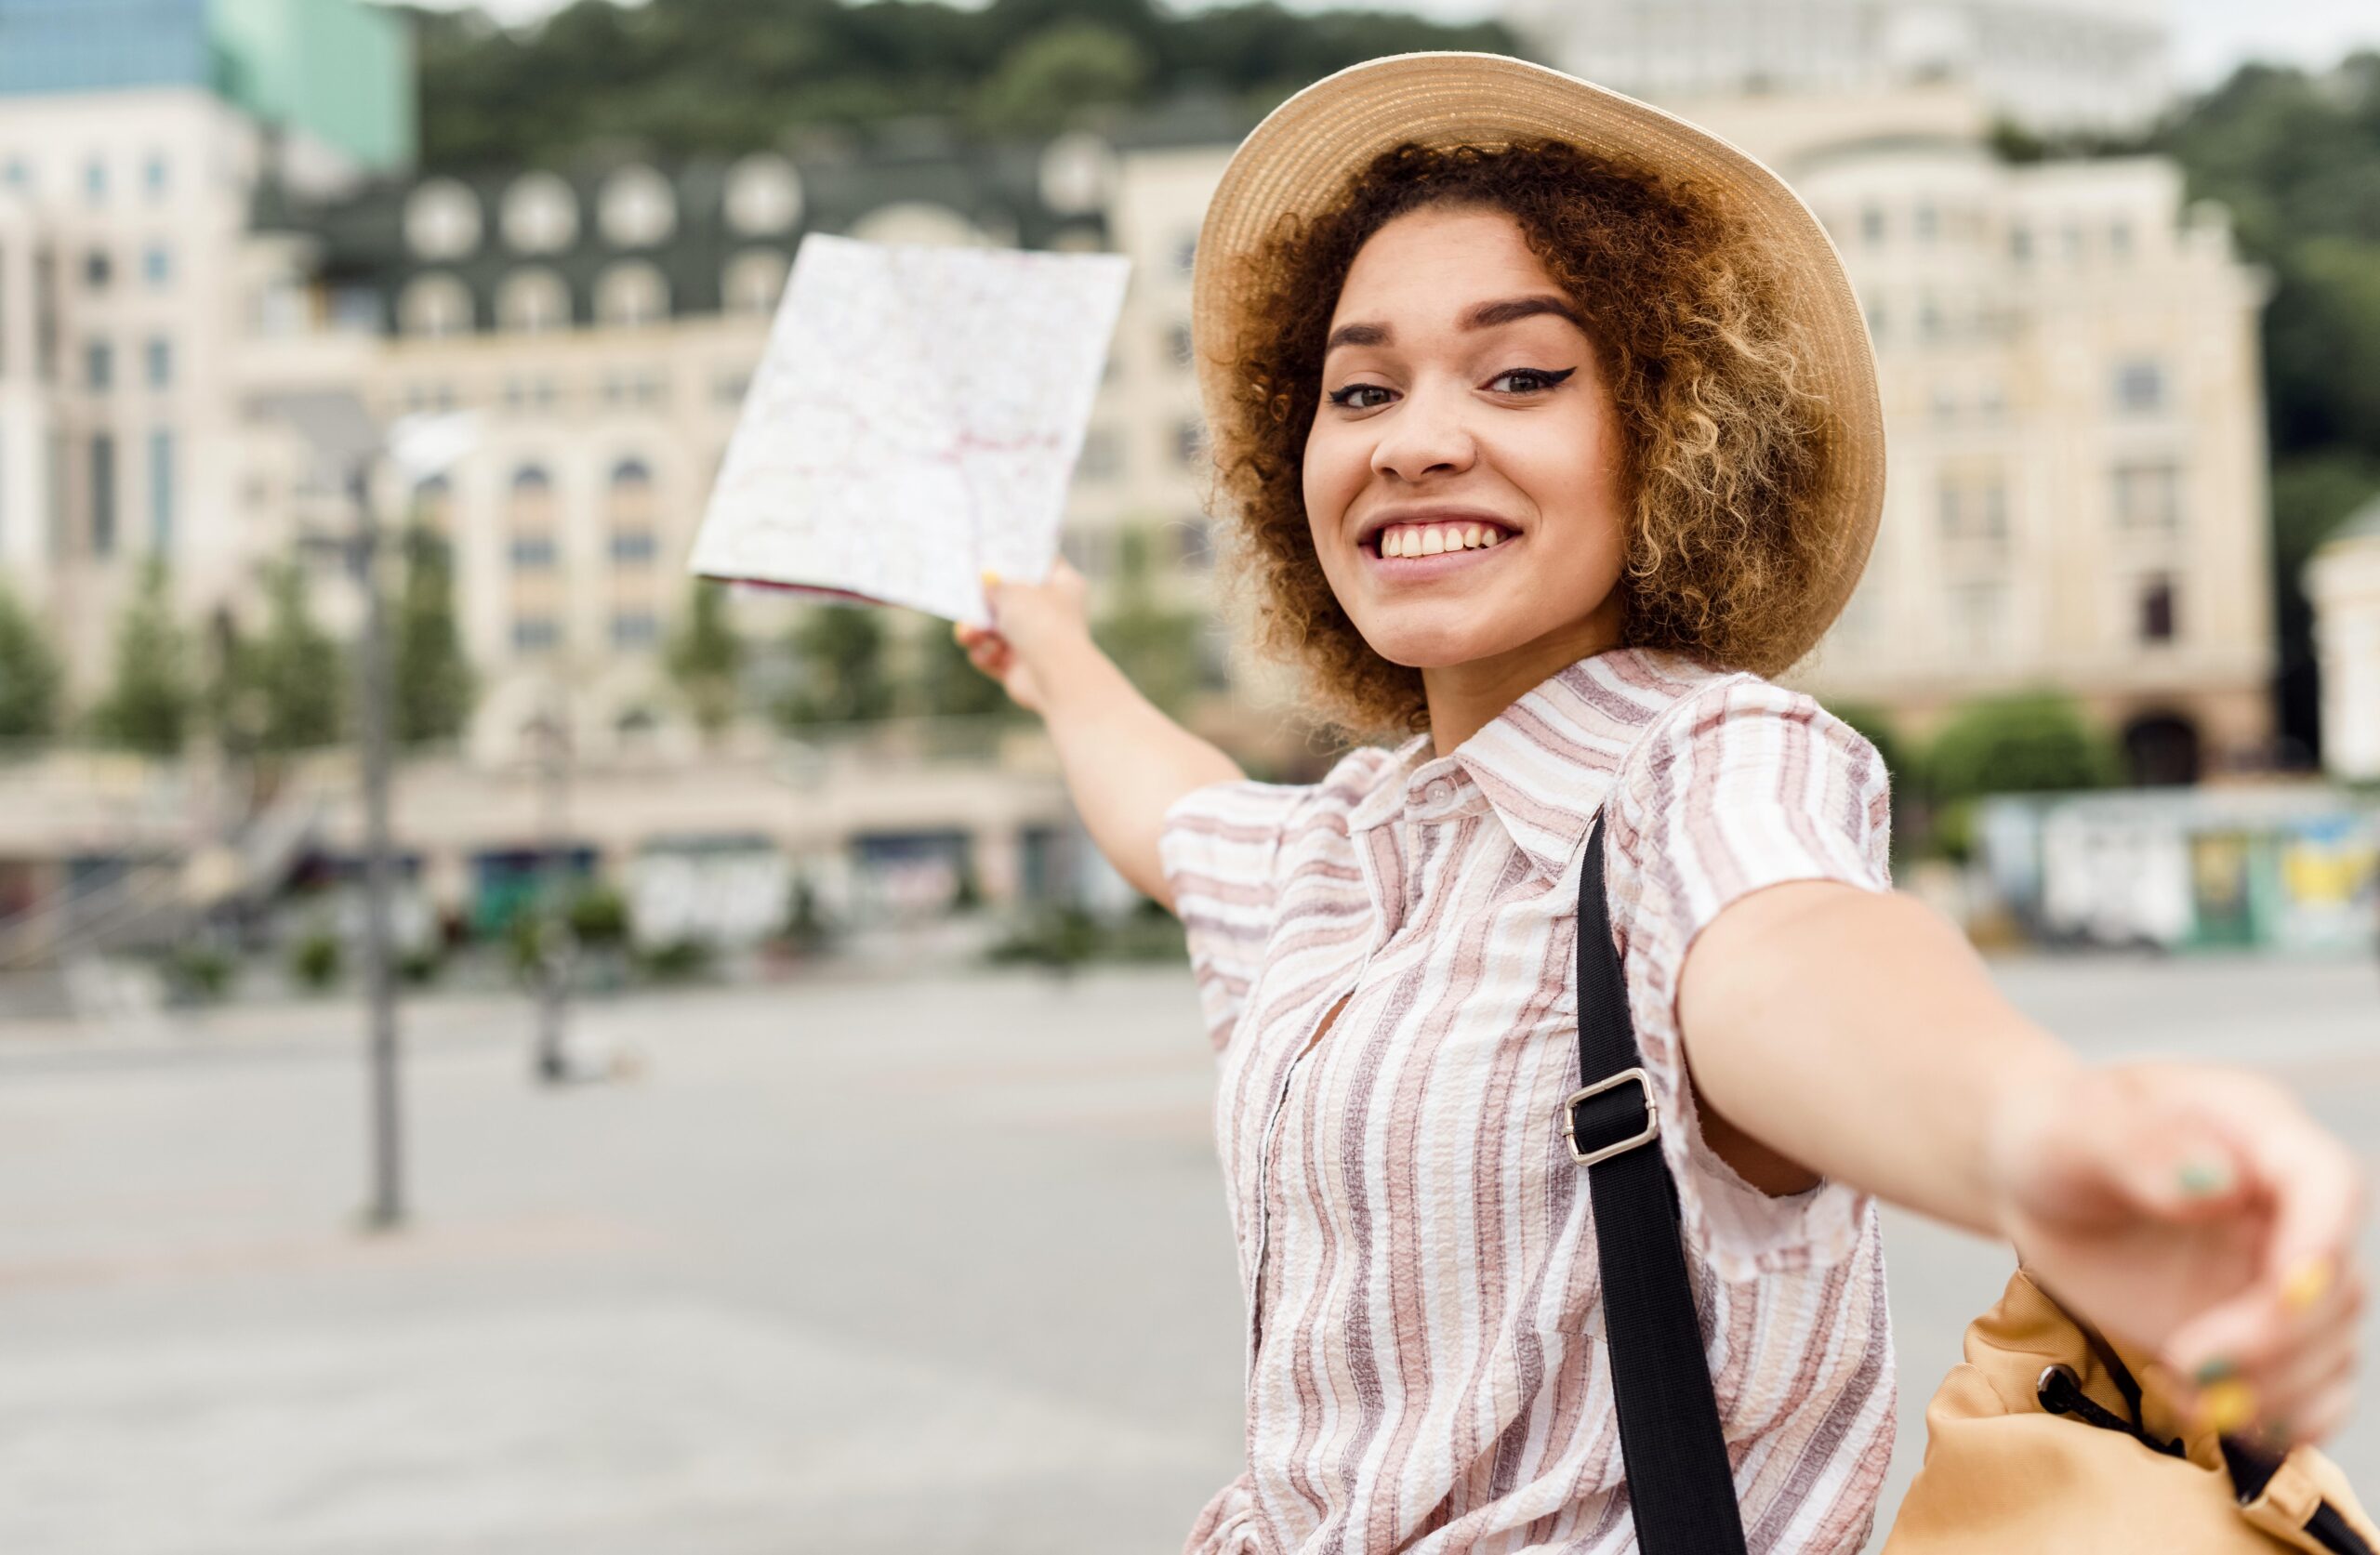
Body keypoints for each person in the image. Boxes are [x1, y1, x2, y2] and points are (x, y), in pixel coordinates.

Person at [956, 53, 2365, 1554]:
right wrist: (1051, 648)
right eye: (1359, 387)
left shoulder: (1708, 763)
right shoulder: (1350, 848)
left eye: (1522, 375)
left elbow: (1789, 950)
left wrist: (2032, 1127)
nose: (1411, 439)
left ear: (1678, 428)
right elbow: (1176, 814)